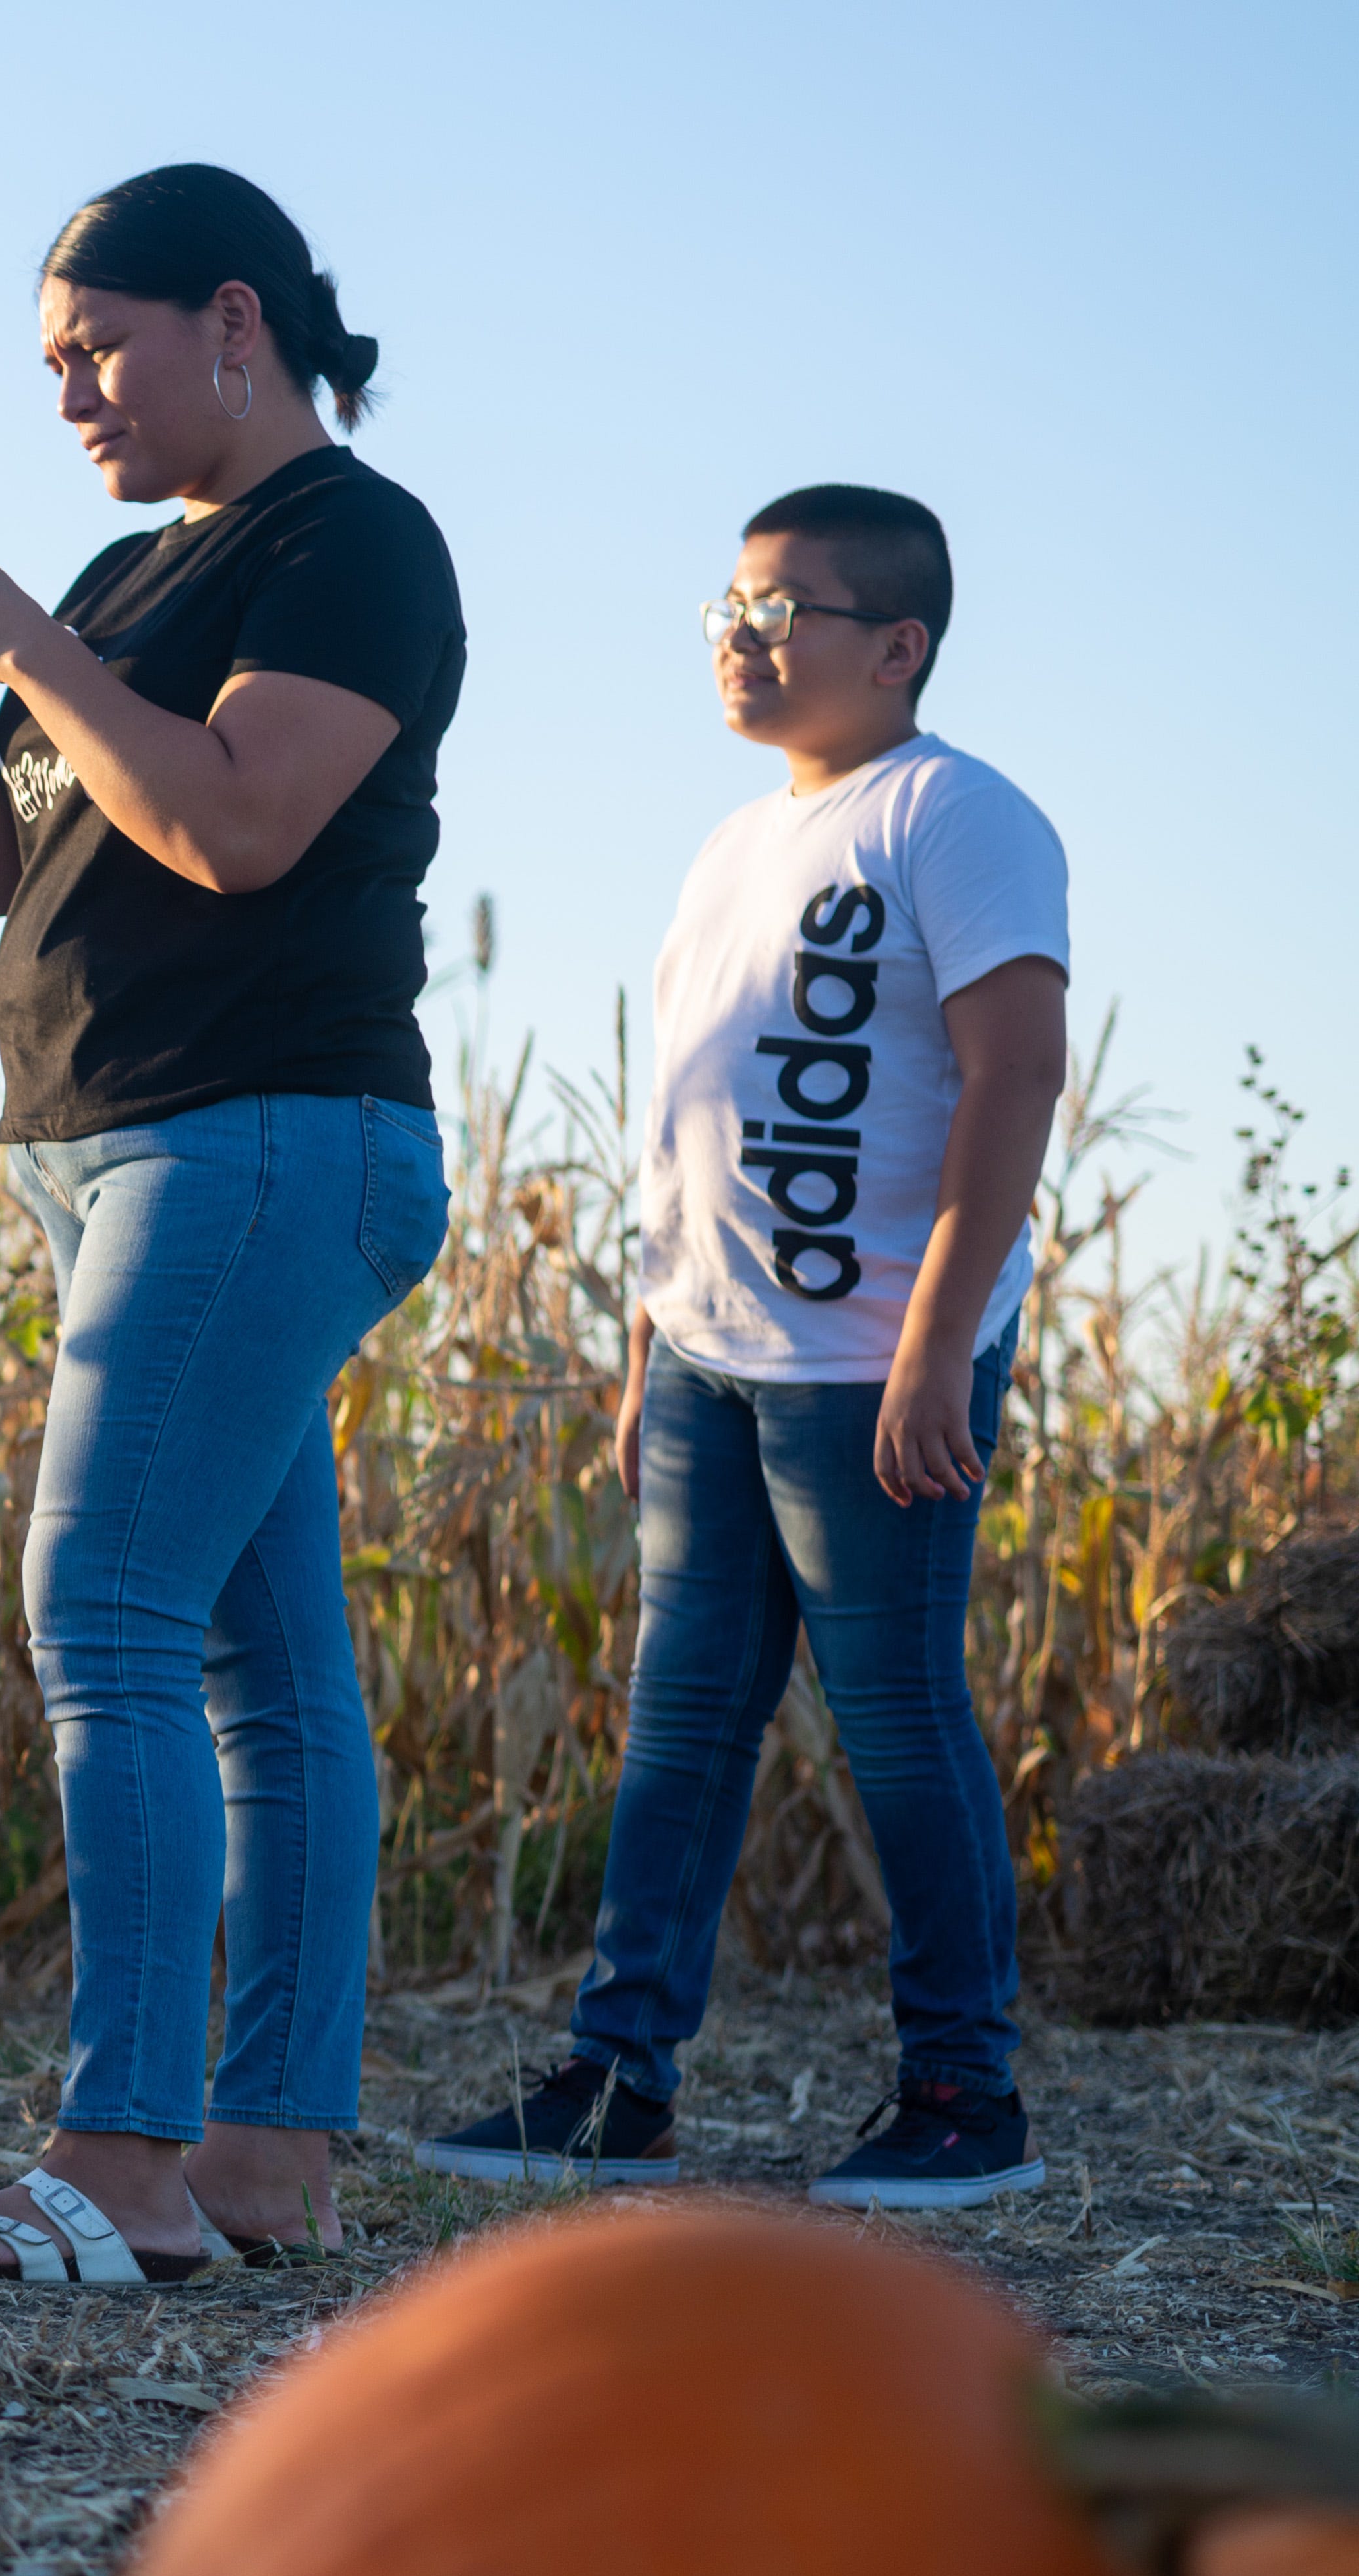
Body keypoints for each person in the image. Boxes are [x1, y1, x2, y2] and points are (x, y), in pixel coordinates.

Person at [0, 164, 459, 2290]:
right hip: (141, 1153)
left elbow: (229, 820)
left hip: (269, 1135)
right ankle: (266, 2167)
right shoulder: (121, 574)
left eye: (95, 348)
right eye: (47, 367)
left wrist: (22, 631)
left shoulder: (353, 544)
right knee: (269, 1678)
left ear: (233, 318)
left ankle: (117, 2167)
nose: (73, 395)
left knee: (102, 1606)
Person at [419, 488, 1064, 2206]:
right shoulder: (729, 847)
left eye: (784, 606)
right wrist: (648, 1357)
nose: (739, 630)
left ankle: (961, 2097)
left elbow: (1014, 1076)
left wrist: (938, 1340)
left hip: (873, 1369)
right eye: (728, 600)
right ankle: (618, 2083)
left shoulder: (957, 816)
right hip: (711, 1361)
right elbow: (684, 1121)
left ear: (899, 645)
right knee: (682, 1718)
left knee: (897, 1715)